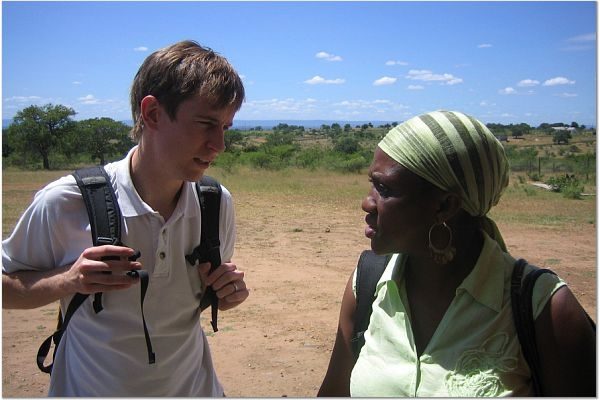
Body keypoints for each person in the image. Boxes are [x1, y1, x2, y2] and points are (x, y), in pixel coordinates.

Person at [2, 40, 250, 396]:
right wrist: (68, 280)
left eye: (225, 126)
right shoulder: (66, 202)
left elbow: (194, 299)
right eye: (206, 123)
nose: (219, 144)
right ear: (152, 114)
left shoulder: (215, 204)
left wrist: (226, 293)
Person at [318, 110, 595, 396]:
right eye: (372, 184)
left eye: (384, 188)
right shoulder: (368, 285)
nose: (367, 203)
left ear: (445, 206)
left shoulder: (547, 311)